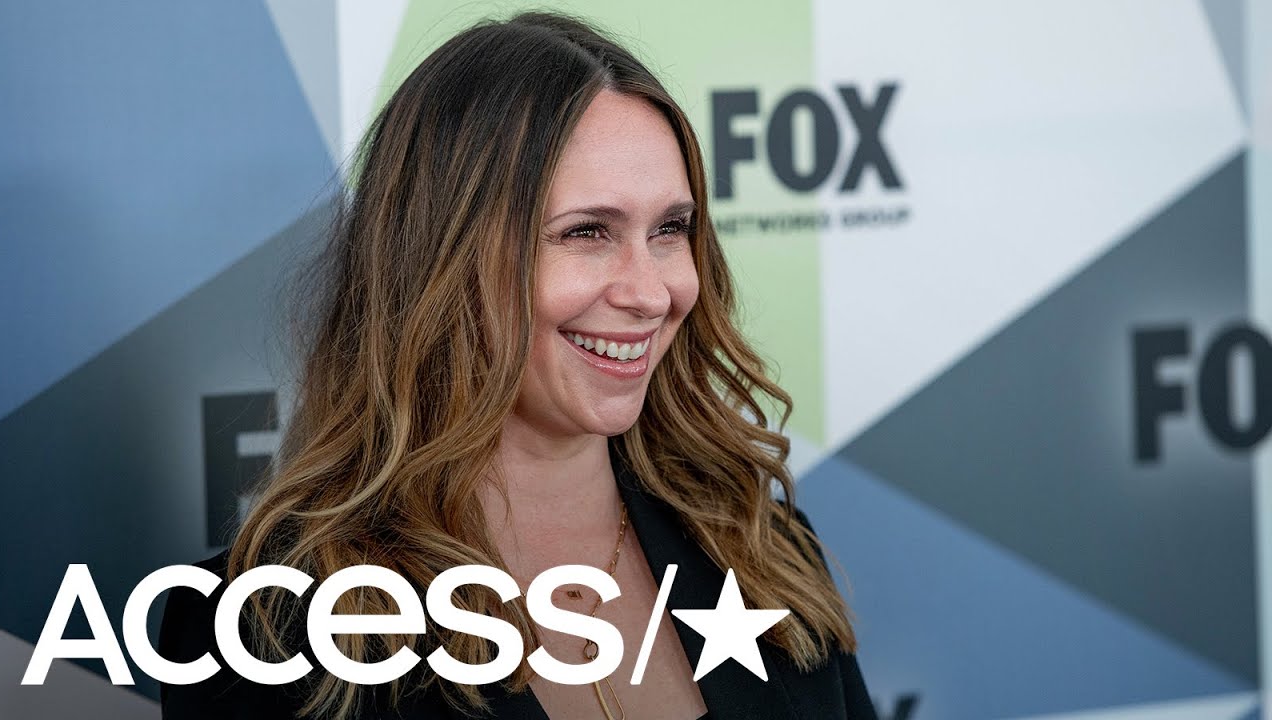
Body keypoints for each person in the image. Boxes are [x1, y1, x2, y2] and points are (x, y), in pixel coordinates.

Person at [158, 10, 878, 720]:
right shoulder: (266, 623)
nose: (651, 292)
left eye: (670, 229)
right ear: (440, 260)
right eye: (587, 232)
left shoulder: (766, 551)